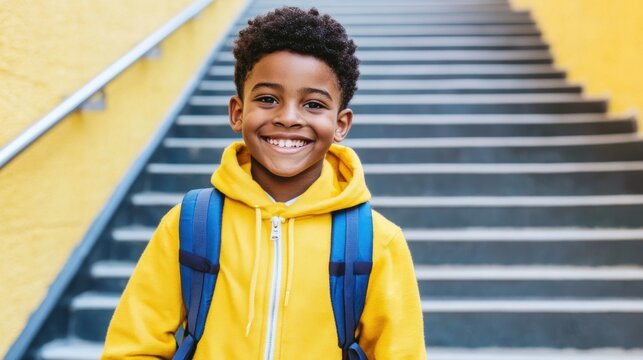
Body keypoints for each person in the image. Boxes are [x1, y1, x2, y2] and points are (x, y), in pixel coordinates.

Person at [102, 6, 425, 359]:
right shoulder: (189, 224)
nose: (288, 117)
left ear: (341, 124)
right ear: (237, 112)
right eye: (268, 99)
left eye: (313, 104)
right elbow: (133, 348)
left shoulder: (376, 241)